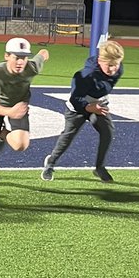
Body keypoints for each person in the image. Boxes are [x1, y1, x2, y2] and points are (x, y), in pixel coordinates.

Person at [41, 40, 125, 183]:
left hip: (97, 105)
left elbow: (104, 86)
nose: (113, 69)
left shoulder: (119, 69)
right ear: (100, 60)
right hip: (78, 106)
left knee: (108, 131)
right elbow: (75, 99)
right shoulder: (86, 75)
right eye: (109, 65)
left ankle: (99, 167)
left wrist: (98, 103)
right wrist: (88, 106)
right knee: (68, 136)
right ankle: (50, 163)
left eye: (116, 65)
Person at [0, 37, 50, 189]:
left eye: (24, 57)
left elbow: (43, 52)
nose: (20, 62)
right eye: (16, 57)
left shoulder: (32, 67)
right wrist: (10, 112)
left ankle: (2, 134)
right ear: (7, 56)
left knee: (21, 145)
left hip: (19, 106)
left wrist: (43, 54)